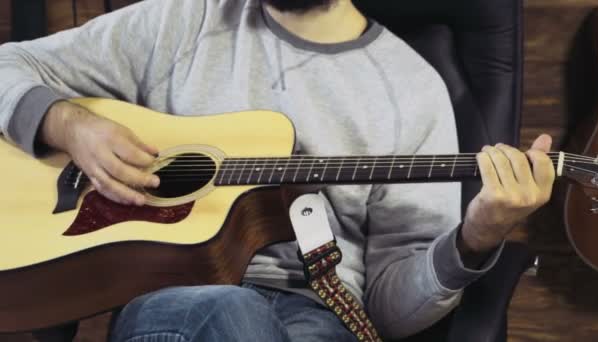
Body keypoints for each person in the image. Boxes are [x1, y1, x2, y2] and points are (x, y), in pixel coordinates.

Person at [0, 0, 555, 341]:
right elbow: (8, 63)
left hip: (317, 313)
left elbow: (390, 307)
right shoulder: (181, 20)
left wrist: (474, 239)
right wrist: (65, 122)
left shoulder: (412, 90)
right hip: (173, 297)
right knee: (221, 310)